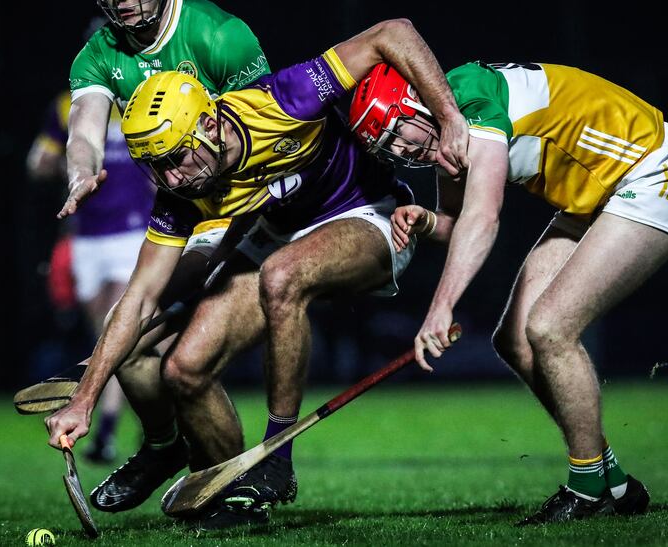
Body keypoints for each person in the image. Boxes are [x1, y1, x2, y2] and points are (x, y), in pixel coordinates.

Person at [45, 18, 469, 530]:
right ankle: (231, 490)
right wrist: (85, 401)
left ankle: (276, 459)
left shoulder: (284, 99)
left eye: (176, 159)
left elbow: (393, 33)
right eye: (156, 168)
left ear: (208, 125)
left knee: (282, 276)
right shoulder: (179, 192)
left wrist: (448, 118)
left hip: (369, 215)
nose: (172, 178)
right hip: (278, 235)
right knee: (184, 369)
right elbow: (137, 300)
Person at [350, 61, 668, 523]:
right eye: (391, 148)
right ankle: (613, 481)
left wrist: (441, 307)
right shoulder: (449, 133)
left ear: (416, 102)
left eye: (399, 132)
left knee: (550, 329)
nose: (404, 151)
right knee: (515, 339)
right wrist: (424, 221)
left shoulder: (472, 102)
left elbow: (484, 218)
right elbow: (457, 224)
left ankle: (586, 491)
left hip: (657, 171)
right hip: (599, 194)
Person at [49, 0, 272, 512]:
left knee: (183, 362)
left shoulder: (220, 36)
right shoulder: (98, 55)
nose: (121, 2)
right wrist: (81, 170)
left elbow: (265, 126)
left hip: (255, 213)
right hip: (182, 213)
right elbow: (83, 131)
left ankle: (236, 488)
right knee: (126, 328)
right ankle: (163, 445)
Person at [27, 85, 156, 464]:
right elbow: (39, 160)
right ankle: (152, 423)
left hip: (133, 230)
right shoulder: (67, 105)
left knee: (111, 329)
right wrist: (53, 164)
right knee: (104, 337)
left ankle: (106, 429)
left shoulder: (142, 97)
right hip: (86, 236)